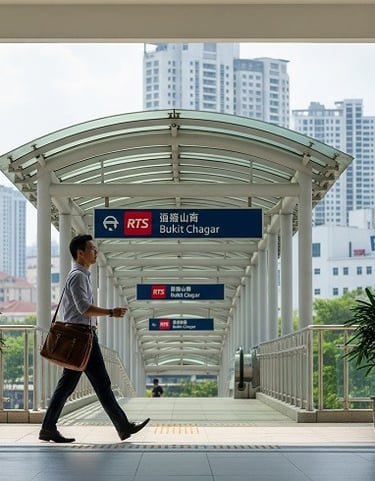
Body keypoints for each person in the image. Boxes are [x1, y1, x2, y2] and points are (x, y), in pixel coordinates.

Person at [39, 234, 150, 443]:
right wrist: (110, 312)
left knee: (75, 385)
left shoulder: (82, 275)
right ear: (80, 253)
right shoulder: (78, 276)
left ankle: (48, 427)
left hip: (82, 338)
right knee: (100, 384)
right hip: (81, 339)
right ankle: (123, 426)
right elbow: (84, 308)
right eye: (91, 248)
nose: (95, 252)